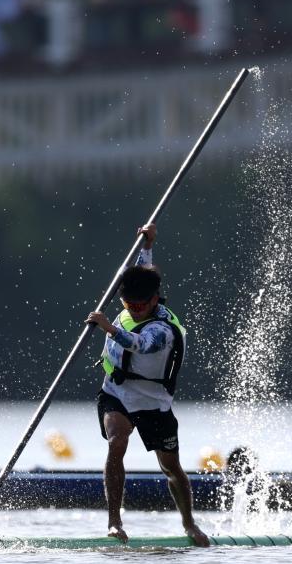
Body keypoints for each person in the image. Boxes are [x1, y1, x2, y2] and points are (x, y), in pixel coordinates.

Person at [85, 223, 210, 547]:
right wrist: (148, 243)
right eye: (128, 304)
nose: (134, 309)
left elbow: (138, 345)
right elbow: (142, 270)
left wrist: (108, 327)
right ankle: (114, 522)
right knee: (117, 441)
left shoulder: (162, 331)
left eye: (140, 305)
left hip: (153, 402)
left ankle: (189, 524)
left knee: (170, 467)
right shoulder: (137, 296)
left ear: (155, 299)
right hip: (116, 392)